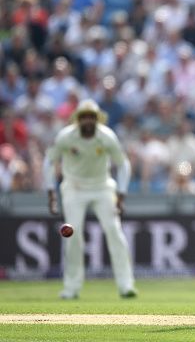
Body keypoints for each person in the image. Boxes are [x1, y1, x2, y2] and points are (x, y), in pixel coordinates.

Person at [43, 99, 137, 299]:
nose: (87, 121)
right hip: (74, 188)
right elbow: (49, 161)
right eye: (83, 117)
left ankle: (125, 285)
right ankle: (71, 287)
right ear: (77, 119)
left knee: (114, 231)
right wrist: (51, 193)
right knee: (73, 235)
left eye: (91, 117)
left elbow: (123, 164)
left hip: (102, 187)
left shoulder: (107, 136)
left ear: (97, 119)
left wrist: (121, 194)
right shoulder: (66, 136)